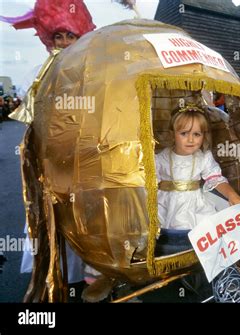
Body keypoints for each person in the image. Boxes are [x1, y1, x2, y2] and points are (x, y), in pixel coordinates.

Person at [1, 0, 96, 290]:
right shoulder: (38, 73)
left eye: (71, 36)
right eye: (59, 36)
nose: (65, 42)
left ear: (82, 37)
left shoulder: (93, 73)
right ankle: (55, 277)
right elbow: (34, 122)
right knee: (51, 217)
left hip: (85, 158)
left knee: (85, 217)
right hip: (50, 159)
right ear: (48, 39)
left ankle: (86, 275)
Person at [155, 106, 240, 230]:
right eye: (184, 133)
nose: (190, 140)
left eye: (197, 134)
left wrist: (232, 195)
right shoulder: (159, 159)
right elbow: (149, 186)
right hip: (166, 206)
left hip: (195, 206)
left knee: (205, 230)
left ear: (203, 136)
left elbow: (215, 179)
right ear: (172, 134)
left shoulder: (203, 158)